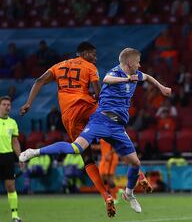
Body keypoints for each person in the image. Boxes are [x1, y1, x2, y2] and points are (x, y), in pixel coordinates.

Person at [20, 48, 171, 214]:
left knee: (135, 163)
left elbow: (147, 77)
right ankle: (35, 152)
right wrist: (127, 78)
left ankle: (129, 194)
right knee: (76, 148)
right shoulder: (115, 73)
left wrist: (162, 87)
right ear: (129, 63)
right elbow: (107, 79)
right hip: (101, 120)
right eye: (137, 62)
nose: (140, 64)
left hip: (117, 127)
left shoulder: (137, 74)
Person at [18, 42, 117, 217]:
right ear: (85, 53)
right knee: (114, 129)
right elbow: (98, 92)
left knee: (86, 156)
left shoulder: (59, 66)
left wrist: (28, 103)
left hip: (69, 115)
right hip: (87, 106)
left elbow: (39, 80)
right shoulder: (90, 66)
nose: (96, 57)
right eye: (93, 54)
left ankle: (106, 196)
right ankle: (136, 176)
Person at [0, 96, 24, 222]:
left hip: (7, 157)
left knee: (10, 186)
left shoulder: (12, 122)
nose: (6, 107)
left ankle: (15, 216)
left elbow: (15, 142)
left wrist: (20, 157)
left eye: (8, 105)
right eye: (4, 104)